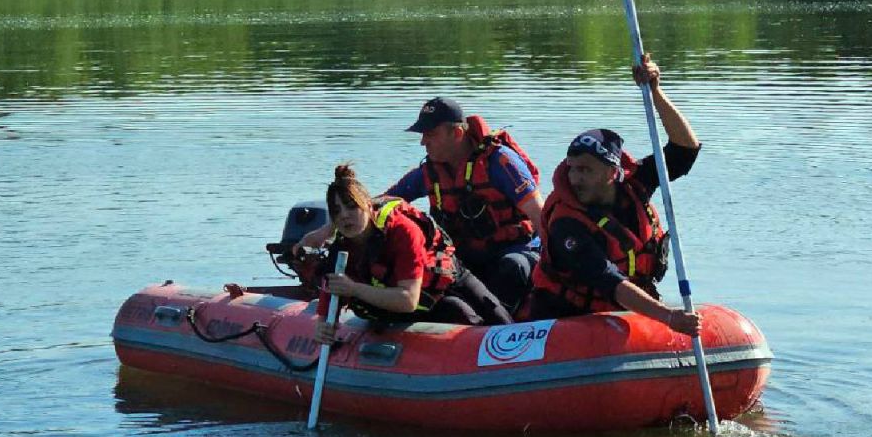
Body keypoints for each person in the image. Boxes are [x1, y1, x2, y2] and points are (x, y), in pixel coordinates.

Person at [301, 98, 543, 313]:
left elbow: (539, 215)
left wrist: (555, 268)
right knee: (437, 274)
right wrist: (328, 229)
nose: (423, 142)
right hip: (466, 255)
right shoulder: (429, 172)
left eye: (430, 134)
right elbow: (376, 204)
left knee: (510, 267)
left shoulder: (501, 162)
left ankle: (509, 330)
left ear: (456, 133)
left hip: (516, 250)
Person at [524, 55, 701, 337]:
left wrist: (655, 91)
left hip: (623, 311)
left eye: (586, 170)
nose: (575, 178)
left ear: (611, 172)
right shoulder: (565, 222)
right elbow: (609, 281)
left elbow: (685, 149)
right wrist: (668, 317)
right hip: (567, 317)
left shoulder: (634, 185)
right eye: (572, 169)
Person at [294, 164, 512, 344]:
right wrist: (323, 324)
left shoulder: (403, 231)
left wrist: (353, 289)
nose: (344, 216)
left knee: (499, 320)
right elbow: (329, 295)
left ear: (368, 206)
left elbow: (408, 300)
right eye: (336, 211)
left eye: (351, 207)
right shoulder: (341, 247)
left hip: (439, 282)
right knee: (455, 310)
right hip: (403, 307)